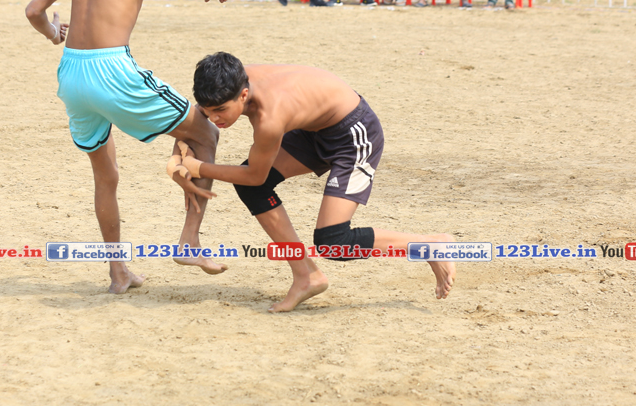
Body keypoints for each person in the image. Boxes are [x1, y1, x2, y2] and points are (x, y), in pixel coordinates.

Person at [24, 0, 233, 294]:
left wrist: (53, 32)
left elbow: (34, 11)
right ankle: (189, 242)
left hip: (71, 73)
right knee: (206, 133)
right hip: (111, 68)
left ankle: (118, 272)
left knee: (106, 177)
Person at [178, 52, 455, 312]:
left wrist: (198, 167)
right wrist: (180, 149)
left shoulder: (269, 118)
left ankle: (429, 245)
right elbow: (194, 117)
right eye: (208, 110)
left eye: (221, 110)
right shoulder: (230, 79)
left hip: (353, 135)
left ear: (243, 95)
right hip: (315, 129)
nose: (214, 118)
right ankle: (307, 276)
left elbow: (255, 175)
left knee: (333, 242)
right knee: (253, 190)